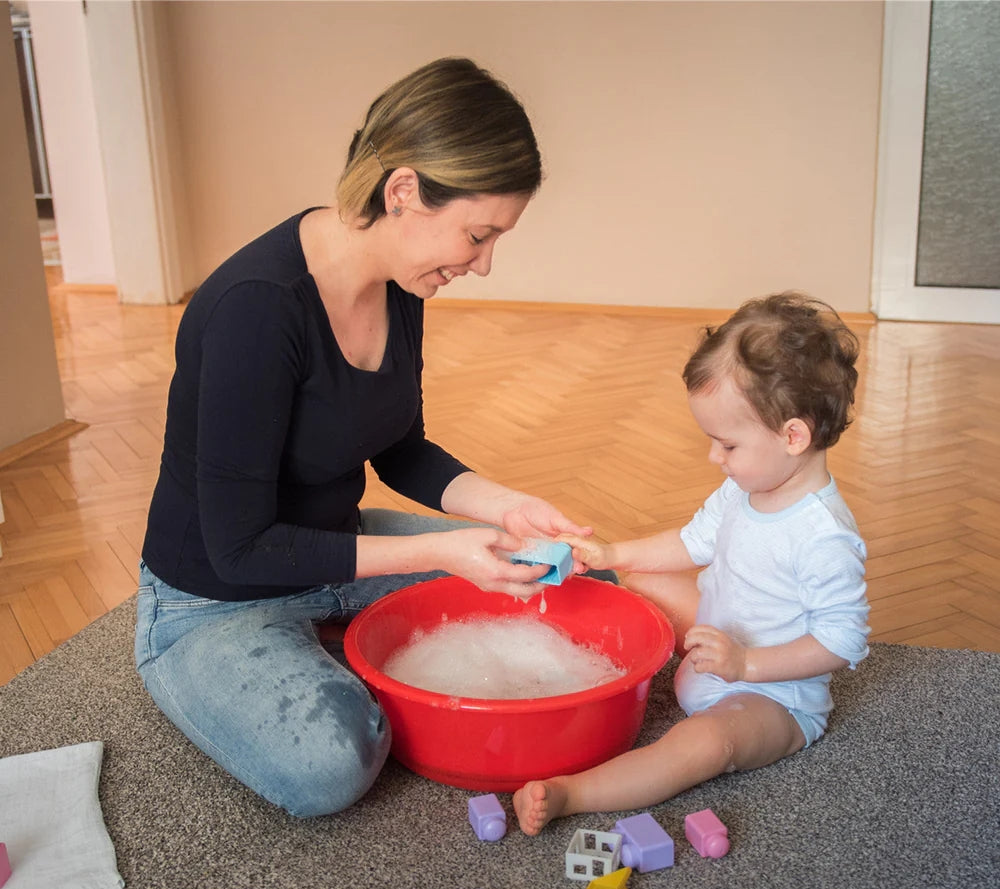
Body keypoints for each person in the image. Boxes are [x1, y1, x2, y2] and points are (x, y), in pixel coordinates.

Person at [135, 57, 595, 819]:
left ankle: (339, 642)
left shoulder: (403, 282)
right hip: (214, 599)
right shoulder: (255, 310)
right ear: (405, 192)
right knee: (332, 763)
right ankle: (235, 667)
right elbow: (239, 548)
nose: (483, 265)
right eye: (477, 235)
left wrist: (505, 508)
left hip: (335, 549)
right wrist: (445, 551)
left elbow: (402, 449)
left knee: (566, 583)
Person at [513, 292, 870, 836]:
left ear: (793, 436)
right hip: (718, 637)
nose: (714, 459)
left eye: (726, 445)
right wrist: (613, 555)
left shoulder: (824, 537)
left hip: (771, 697)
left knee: (704, 744)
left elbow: (843, 642)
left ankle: (574, 793)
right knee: (640, 579)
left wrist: (746, 665)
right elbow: (691, 542)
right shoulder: (744, 485)